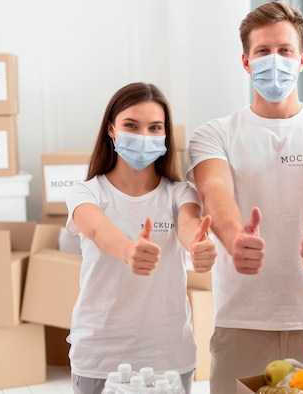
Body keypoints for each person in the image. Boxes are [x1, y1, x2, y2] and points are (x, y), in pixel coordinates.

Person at [187, 1, 303, 393]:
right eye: (263, 51)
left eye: (284, 50)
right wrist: (235, 238)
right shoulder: (214, 133)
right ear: (246, 61)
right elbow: (214, 190)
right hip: (242, 322)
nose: (274, 60)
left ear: (302, 59)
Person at [65, 82, 217, 394]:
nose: (143, 136)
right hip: (99, 356)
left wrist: (198, 246)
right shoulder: (87, 191)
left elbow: (189, 225)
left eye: (154, 128)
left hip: (169, 357)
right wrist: (128, 250)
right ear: (111, 129)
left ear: (165, 135)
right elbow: (96, 229)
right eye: (131, 126)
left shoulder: (179, 193)